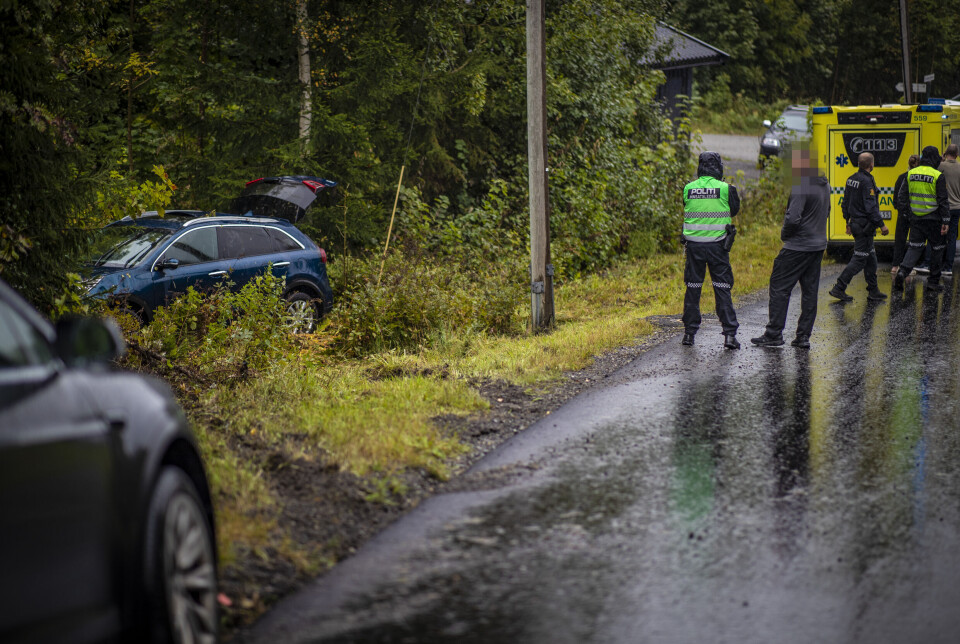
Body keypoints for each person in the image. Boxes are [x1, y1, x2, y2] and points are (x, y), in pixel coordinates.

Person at [751, 143, 830, 349]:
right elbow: (827, 211)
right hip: (818, 245)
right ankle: (803, 336)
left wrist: (785, 235)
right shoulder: (824, 184)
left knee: (779, 286)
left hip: (798, 246)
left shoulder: (802, 183)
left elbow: (793, 217)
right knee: (810, 292)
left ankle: (774, 333)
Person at [680, 151, 741, 349]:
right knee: (722, 288)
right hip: (717, 247)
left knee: (693, 289)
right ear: (718, 166)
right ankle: (729, 336)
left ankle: (689, 335)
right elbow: (734, 210)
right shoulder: (726, 188)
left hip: (694, 247)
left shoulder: (688, 188)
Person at [828, 152, 889, 302]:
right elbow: (871, 207)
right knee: (859, 259)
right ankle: (839, 288)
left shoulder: (851, 179)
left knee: (871, 258)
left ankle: (873, 290)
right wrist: (882, 224)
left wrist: (847, 222)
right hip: (864, 226)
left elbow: (845, 203)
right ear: (871, 165)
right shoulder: (867, 181)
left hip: (856, 224)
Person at [894, 145, 950, 292]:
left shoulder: (911, 173)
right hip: (934, 220)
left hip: (916, 219)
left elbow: (902, 197)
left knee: (915, 247)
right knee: (937, 249)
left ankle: (902, 272)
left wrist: (908, 214)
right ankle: (933, 282)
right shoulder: (938, 175)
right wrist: (946, 221)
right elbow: (943, 200)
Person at [891, 154, 919, 274]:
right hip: (915, 213)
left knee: (900, 240)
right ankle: (909, 267)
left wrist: (900, 209)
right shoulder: (918, 178)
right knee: (913, 241)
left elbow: (895, 198)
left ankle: (895, 266)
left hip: (902, 213)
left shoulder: (901, 177)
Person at [938, 143, 960, 277]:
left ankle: (933, 264)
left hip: (943, 207)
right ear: (957, 155)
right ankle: (948, 267)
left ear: (945, 153)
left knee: (939, 236)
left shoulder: (940, 166)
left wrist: (941, 160)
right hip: (957, 207)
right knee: (952, 238)